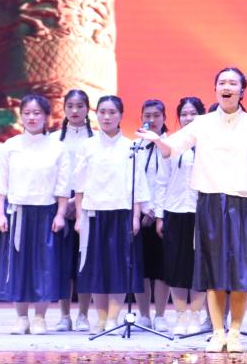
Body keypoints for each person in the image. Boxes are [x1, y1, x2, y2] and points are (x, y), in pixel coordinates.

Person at [139, 67, 247, 353]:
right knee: (214, 272)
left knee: (240, 272)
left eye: (232, 83)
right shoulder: (202, 123)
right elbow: (172, 148)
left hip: (242, 203)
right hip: (210, 203)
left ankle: (235, 332)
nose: (227, 87)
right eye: (222, 82)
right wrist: (158, 140)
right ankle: (217, 332)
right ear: (215, 89)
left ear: (242, 90)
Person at [0, 94, 70, 335]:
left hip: (46, 214)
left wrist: (60, 214)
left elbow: (63, 185)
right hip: (17, 214)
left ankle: (40, 318)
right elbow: (0, 183)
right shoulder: (11, 146)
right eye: (27, 113)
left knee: (44, 267)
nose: (32, 117)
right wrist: (0, 214)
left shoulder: (58, 147)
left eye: (37, 113)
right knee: (19, 268)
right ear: (21, 116)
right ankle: (21, 318)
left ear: (46, 116)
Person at [74, 96, 150, 335]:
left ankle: (114, 318)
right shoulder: (87, 146)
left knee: (119, 267)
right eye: (102, 112)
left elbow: (138, 183)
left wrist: (136, 216)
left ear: (120, 115)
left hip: (121, 213)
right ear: (96, 115)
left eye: (112, 112)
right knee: (96, 267)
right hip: (94, 213)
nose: (106, 117)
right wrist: (79, 216)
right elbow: (79, 185)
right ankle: (101, 317)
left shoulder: (131, 147)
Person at [156, 96, 207, 336]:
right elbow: (161, 181)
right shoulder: (170, 143)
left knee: (199, 266)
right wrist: (159, 216)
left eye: (193, 113)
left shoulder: (209, 143)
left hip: (202, 212)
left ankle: (195, 315)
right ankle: (180, 315)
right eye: (184, 114)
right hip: (174, 211)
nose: (188, 118)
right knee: (176, 266)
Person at [52, 89, 93, 332]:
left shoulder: (96, 138)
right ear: (64, 108)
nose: (75, 111)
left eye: (80, 106)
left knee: (84, 263)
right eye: (70, 106)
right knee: (64, 265)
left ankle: (84, 315)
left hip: (89, 206)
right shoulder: (53, 139)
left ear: (88, 109)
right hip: (60, 207)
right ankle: (64, 315)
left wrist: (78, 203)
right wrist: (63, 203)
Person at [136, 99, 171, 332]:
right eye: (147, 115)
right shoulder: (135, 147)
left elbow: (168, 182)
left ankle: (160, 314)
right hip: (139, 214)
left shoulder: (171, 145)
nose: (152, 119)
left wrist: (158, 212)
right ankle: (143, 315)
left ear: (164, 118)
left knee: (161, 268)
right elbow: (133, 181)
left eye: (157, 115)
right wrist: (143, 209)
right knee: (141, 268)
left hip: (164, 215)